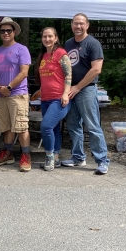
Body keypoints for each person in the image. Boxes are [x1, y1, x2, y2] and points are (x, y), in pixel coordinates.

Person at [62, 13, 109, 174]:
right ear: (71, 25)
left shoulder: (93, 44)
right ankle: (78, 157)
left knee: (92, 125)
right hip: (70, 90)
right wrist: (67, 88)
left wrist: (78, 87)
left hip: (86, 90)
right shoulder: (68, 44)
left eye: (81, 24)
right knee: (73, 125)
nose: (78, 26)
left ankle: (102, 160)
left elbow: (96, 69)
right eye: (76, 23)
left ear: (87, 25)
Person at [0, 17, 32, 172]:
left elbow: (24, 72)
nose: (5, 33)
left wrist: (9, 86)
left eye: (8, 30)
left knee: (21, 126)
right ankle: (8, 153)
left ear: (14, 32)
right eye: (3, 31)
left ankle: (25, 155)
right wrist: (0, 88)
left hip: (18, 94)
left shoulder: (22, 49)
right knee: (5, 127)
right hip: (1, 95)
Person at [34, 27, 72, 171]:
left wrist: (65, 93)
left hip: (59, 98)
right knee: (54, 128)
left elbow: (68, 74)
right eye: (45, 36)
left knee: (46, 126)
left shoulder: (61, 53)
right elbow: (47, 77)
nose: (47, 39)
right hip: (45, 99)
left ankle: (49, 156)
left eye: (50, 36)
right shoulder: (43, 56)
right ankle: (55, 158)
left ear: (56, 38)